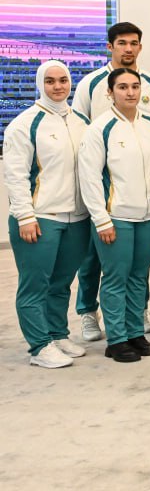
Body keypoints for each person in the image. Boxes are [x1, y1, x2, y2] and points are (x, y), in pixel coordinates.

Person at [70, 21, 150, 344]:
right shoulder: (91, 84)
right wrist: (99, 210)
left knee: (136, 270)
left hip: (144, 205)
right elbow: (79, 132)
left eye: (133, 43)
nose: (128, 48)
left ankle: (136, 318)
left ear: (140, 47)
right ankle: (88, 311)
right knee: (95, 261)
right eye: (122, 42)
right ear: (110, 46)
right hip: (107, 195)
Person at [77, 68, 150, 363]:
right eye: (122, 87)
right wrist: (101, 218)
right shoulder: (99, 129)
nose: (130, 92)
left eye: (134, 86)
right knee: (116, 277)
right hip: (115, 216)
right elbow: (90, 177)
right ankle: (117, 339)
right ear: (110, 92)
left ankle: (135, 333)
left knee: (139, 277)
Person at [4, 61, 93, 368]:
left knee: (61, 282)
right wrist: (25, 216)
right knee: (35, 285)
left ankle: (57, 333)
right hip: (41, 218)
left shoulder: (81, 121)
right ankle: (39, 346)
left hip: (77, 218)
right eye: (51, 81)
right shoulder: (25, 124)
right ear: (40, 84)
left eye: (63, 80)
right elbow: (15, 175)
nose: (58, 86)